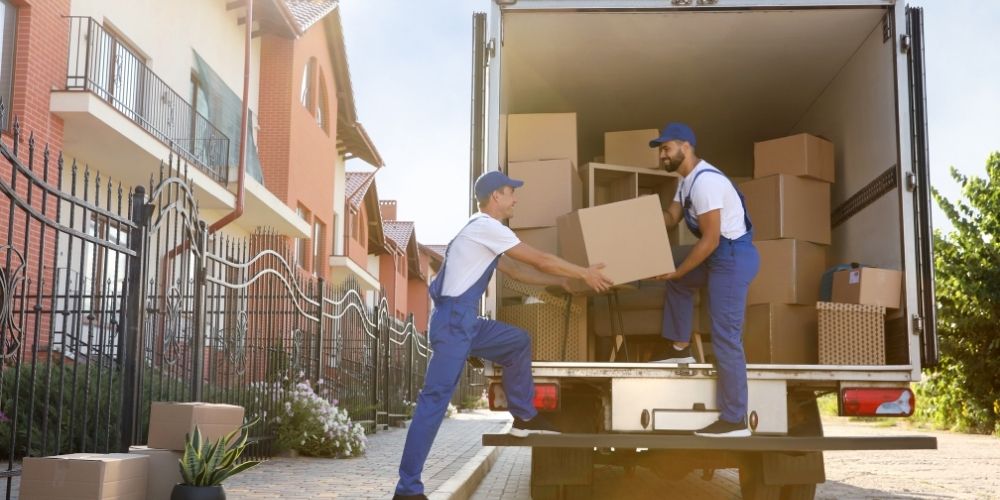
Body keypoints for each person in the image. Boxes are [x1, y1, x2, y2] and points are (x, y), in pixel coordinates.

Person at [393, 171, 613, 500]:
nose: (516, 199)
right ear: (495, 196)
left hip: (464, 320)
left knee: (516, 342)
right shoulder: (485, 227)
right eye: (512, 192)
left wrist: (564, 283)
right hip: (455, 321)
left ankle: (524, 418)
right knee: (434, 402)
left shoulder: (485, 233)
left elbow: (518, 271)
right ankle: (407, 489)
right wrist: (584, 272)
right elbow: (540, 259)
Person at [649, 122, 760, 438]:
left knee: (725, 335)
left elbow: (710, 240)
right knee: (678, 283)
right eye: (660, 150)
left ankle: (734, 418)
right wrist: (637, 220)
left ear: (686, 146)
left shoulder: (705, 182)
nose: (662, 156)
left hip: (732, 257)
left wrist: (680, 269)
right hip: (718, 254)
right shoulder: (685, 183)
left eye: (666, 148)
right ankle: (680, 347)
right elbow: (671, 218)